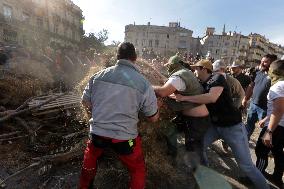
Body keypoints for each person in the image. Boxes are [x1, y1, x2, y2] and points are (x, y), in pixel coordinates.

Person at [170, 59, 269, 189]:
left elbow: (212, 97)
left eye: (196, 69)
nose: (194, 72)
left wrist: (184, 98)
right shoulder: (200, 83)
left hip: (233, 128)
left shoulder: (217, 78)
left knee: (246, 166)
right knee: (199, 147)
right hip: (215, 127)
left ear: (205, 69)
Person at [78, 42, 159, 189]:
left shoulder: (97, 76)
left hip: (97, 135)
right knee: (137, 169)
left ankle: (84, 186)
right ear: (135, 58)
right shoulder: (144, 83)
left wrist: (101, 113)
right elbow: (153, 117)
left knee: (90, 157)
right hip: (125, 139)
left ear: (117, 57)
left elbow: (85, 102)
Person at [153, 55, 210, 163]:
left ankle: (202, 174)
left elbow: (162, 92)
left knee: (194, 151)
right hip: (191, 118)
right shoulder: (184, 73)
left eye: (169, 66)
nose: (168, 68)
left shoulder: (179, 76)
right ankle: (172, 154)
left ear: (174, 65)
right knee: (170, 129)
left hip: (196, 122)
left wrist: (146, 86)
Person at [255, 59, 284, 189]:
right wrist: (265, 119)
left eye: (270, 71)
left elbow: (278, 110)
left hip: (276, 127)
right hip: (281, 126)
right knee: (278, 152)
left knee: (261, 150)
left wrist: (269, 131)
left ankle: (257, 178)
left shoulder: (278, 86)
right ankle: (277, 178)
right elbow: (278, 107)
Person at [243, 54, 277, 139]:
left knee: (265, 129)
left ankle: (264, 147)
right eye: (261, 62)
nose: (262, 64)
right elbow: (251, 86)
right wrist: (245, 98)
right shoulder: (258, 72)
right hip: (253, 105)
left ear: (272, 63)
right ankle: (243, 143)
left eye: (265, 62)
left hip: (265, 108)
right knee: (248, 125)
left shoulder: (275, 77)